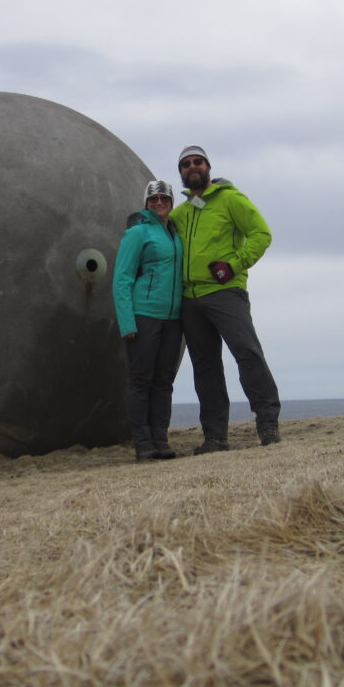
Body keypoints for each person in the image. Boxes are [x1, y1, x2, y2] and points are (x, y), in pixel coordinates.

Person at [170, 145, 281, 453]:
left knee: (247, 353)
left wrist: (232, 265)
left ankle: (268, 423)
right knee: (205, 367)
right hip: (190, 300)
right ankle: (215, 436)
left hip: (225, 293)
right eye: (185, 164)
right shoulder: (181, 213)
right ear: (180, 173)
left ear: (207, 166)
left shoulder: (231, 199)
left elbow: (261, 234)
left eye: (197, 162)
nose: (192, 167)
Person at [112, 181, 184, 462]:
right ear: (146, 203)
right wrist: (127, 322)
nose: (158, 203)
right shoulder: (137, 233)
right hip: (144, 314)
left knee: (164, 381)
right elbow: (122, 278)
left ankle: (161, 440)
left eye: (163, 198)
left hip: (173, 317)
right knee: (141, 381)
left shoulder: (175, 233)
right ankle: (143, 442)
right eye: (153, 199)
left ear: (170, 201)